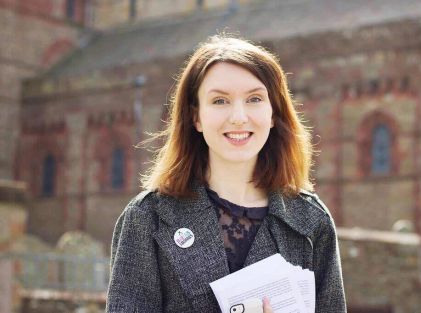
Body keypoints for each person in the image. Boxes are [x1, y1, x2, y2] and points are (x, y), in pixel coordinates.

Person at [106, 34, 346, 313]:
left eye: (254, 99)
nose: (238, 117)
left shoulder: (311, 220)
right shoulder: (148, 217)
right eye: (220, 101)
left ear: (273, 114)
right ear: (196, 116)